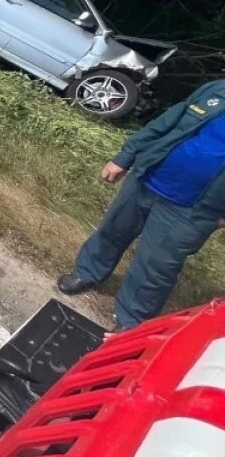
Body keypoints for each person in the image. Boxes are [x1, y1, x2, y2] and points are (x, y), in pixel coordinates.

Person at [58, 78, 225, 330]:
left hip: (194, 210)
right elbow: (167, 123)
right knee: (112, 231)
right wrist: (126, 156)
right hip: (148, 177)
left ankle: (130, 321)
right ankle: (87, 272)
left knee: (156, 266)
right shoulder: (217, 90)